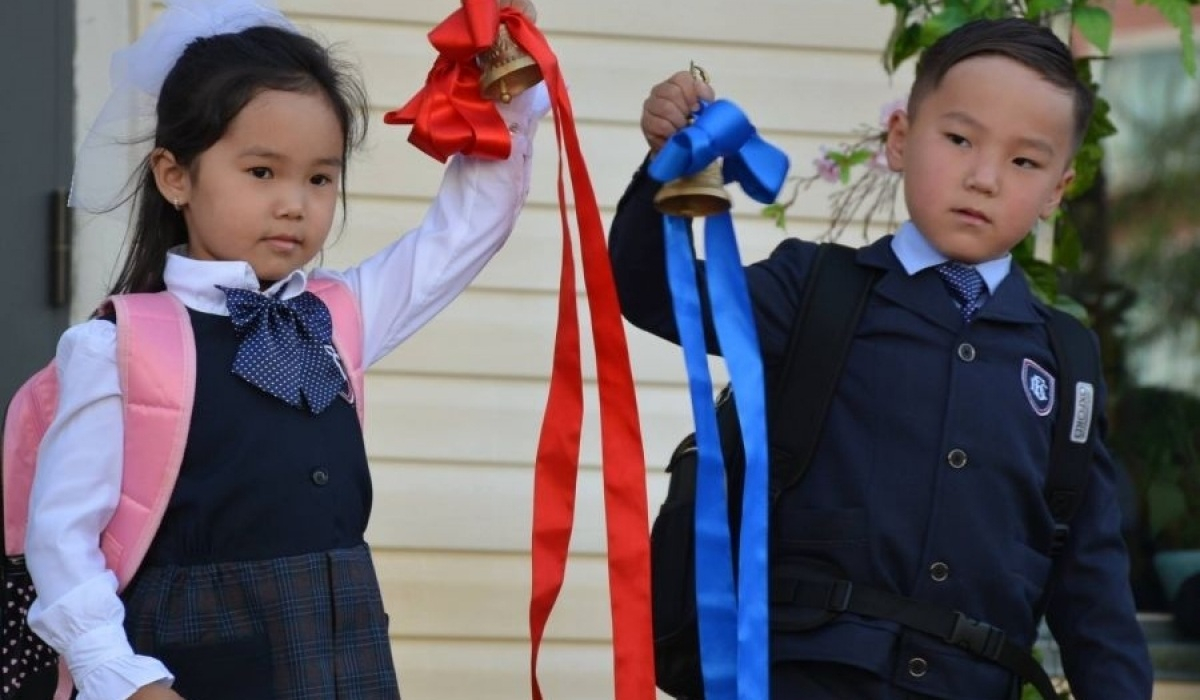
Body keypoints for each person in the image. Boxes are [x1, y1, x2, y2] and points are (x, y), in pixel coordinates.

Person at [609, 17, 1152, 700]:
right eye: (958, 139)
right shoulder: (813, 290)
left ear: (1057, 191)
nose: (984, 178)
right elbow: (654, 295)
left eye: (1024, 161)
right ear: (900, 140)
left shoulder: (1066, 360)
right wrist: (666, 163)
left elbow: (1091, 585)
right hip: (802, 676)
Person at [23, 1, 545, 699]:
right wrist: (118, 674)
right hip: (184, 669)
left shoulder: (339, 315)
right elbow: (61, 537)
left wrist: (507, 88)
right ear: (175, 175)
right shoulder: (117, 346)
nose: (295, 204)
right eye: (262, 172)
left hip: (343, 652)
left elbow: (465, 230)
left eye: (320, 178)